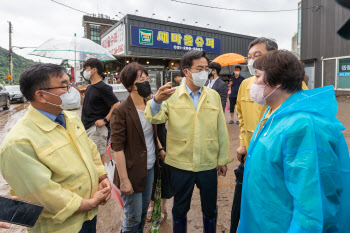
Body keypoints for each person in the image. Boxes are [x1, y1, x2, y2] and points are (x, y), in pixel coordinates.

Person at [238, 49, 350, 232]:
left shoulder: (304, 127)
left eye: (258, 76)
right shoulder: (273, 113)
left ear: (278, 81)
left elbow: (312, 209)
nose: (253, 83)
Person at [0, 64, 111, 233]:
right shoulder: (19, 143)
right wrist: (85, 204)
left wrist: (101, 175)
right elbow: (42, 192)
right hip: (62, 227)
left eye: (70, 84)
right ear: (41, 95)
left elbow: (91, 150)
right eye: (64, 85)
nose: (71, 90)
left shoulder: (71, 118)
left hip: (88, 216)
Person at [144, 50, 232, 233]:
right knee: (180, 207)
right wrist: (155, 102)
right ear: (186, 71)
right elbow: (155, 118)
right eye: (199, 68)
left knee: (209, 207)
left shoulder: (213, 96)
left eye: (206, 69)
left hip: (207, 162)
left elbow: (221, 130)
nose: (204, 73)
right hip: (180, 163)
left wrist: (222, 159)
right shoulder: (172, 95)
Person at [110, 62, 162, 232]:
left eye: (147, 78)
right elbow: (117, 148)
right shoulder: (121, 110)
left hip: (149, 167)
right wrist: (124, 180)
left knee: (141, 213)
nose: (146, 82)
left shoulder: (150, 104)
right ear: (131, 85)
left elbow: (152, 133)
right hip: (131, 171)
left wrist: (160, 148)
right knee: (132, 217)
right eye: (142, 79)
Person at [81, 58, 120, 164]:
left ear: (94, 70)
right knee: (94, 156)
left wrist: (105, 120)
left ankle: (104, 178)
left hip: (96, 128)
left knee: (97, 157)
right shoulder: (90, 87)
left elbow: (116, 105)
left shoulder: (104, 88)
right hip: (88, 127)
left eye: (86, 68)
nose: (84, 71)